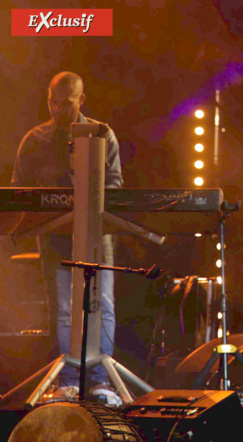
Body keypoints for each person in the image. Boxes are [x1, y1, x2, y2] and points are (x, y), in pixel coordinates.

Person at [11, 71, 123, 406]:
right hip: (55, 236)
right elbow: (19, 189)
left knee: (101, 304)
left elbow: (116, 184)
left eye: (66, 102)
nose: (58, 109)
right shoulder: (36, 139)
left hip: (96, 235)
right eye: (53, 102)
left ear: (81, 99)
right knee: (62, 307)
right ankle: (70, 380)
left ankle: (100, 381)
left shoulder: (102, 133)